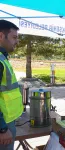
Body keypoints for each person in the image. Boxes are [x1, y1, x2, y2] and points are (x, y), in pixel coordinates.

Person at [0, 20, 23, 150]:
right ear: (1, 36)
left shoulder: (3, 58)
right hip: (3, 126)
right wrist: (2, 129)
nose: (17, 42)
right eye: (14, 37)